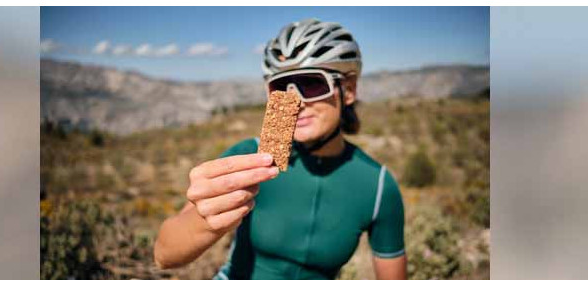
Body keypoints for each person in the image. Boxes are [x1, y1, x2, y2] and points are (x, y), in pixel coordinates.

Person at [153, 18, 405, 280]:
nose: (295, 102)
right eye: (282, 87)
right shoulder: (250, 158)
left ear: (348, 90)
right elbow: (164, 255)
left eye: (312, 83)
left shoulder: (378, 185)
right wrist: (206, 221)